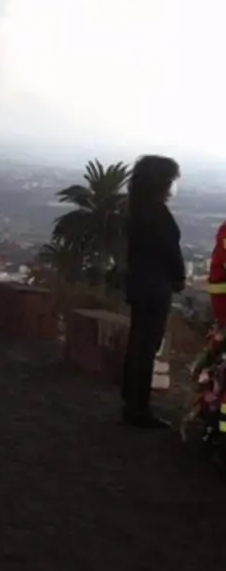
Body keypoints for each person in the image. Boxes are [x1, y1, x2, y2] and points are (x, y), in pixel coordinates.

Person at [122, 154, 185, 429]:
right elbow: (170, 251)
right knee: (147, 346)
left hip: (138, 283)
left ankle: (131, 401)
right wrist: (179, 278)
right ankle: (139, 408)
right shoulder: (158, 214)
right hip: (155, 287)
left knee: (137, 344)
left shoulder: (135, 209)